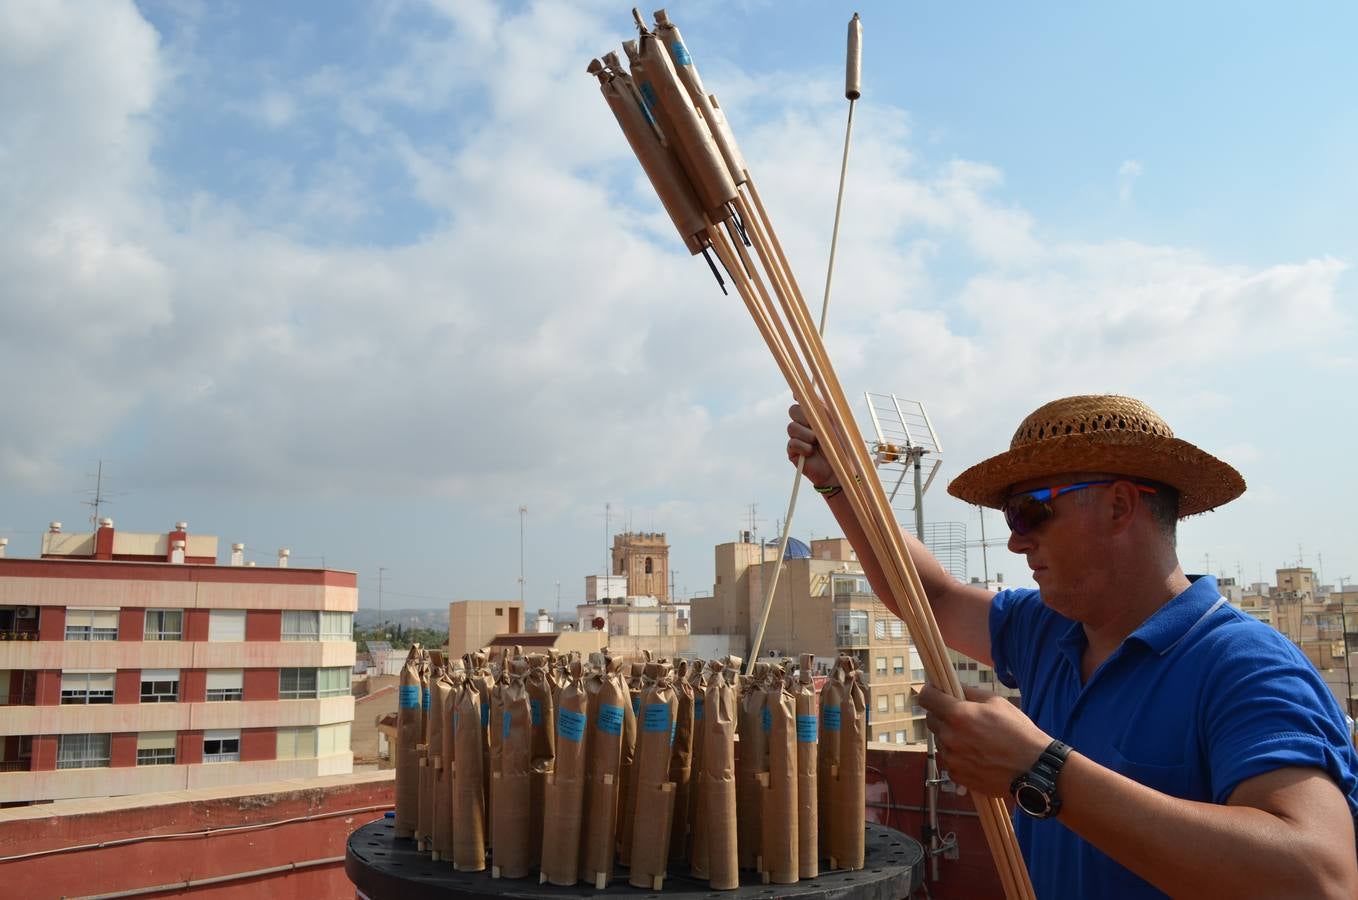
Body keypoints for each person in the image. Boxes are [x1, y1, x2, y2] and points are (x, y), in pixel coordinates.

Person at [787, 393, 1358, 899]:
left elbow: (1319, 879)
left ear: (1118, 505)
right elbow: (929, 596)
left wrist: (1041, 770)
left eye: (1030, 510)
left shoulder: (1245, 665)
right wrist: (843, 482)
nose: (1014, 540)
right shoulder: (1051, 629)